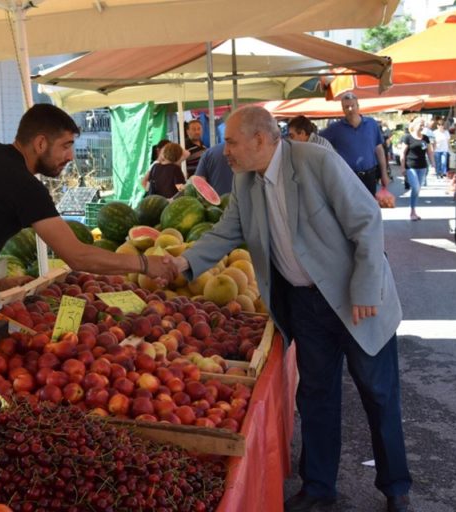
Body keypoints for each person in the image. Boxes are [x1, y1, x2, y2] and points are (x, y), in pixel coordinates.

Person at [170, 106, 411, 512]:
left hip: (356, 299)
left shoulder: (316, 161)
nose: (223, 151)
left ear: (260, 139)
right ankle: (318, 487)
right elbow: (226, 232)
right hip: (305, 304)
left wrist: (367, 288)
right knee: (316, 395)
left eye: (230, 142)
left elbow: (367, 219)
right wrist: (181, 263)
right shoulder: (245, 183)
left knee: (378, 393)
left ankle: (395, 486)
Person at [0, 104, 177, 287]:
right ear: (40, 143)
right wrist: (144, 264)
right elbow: (77, 256)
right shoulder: (25, 186)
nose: (70, 156)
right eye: (65, 146)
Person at [320, 92, 390, 194]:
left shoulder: (371, 124)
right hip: (347, 177)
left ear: (358, 106)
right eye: (346, 107)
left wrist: (384, 173)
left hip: (369, 175)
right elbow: (317, 142)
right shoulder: (335, 128)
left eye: (352, 106)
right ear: (343, 109)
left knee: (369, 208)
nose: (350, 109)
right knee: (350, 209)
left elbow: (379, 149)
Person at [400, 118, 436, 221]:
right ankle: (412, 211)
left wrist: (433, 163)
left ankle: (413, 211)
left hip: (422, 167)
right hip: (410, 166)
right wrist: (402, 167)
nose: (422, 126)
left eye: (423, 125)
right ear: (415, 125)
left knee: (417, 189)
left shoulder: (425, 138)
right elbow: (402, 153)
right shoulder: (407, 137)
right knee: (415, 187)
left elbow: (430, 152)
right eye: (421, 124)